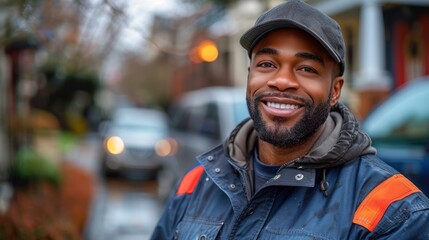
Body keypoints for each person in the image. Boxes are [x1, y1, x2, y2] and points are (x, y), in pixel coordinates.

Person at [151, 0, 429, 239]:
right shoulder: (195, 183)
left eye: (307, 68)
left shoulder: (391, 209)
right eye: (267, 65)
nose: (282, 80)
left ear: (335, 91)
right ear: (249, 76)